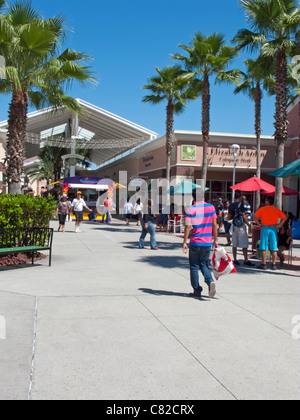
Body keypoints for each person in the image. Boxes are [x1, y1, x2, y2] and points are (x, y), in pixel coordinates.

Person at [183, 189, 218, 299]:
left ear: (193, 197)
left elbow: (188, 226)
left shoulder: (191, 209)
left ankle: (196, 290)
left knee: (194, 266)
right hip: (207, 242)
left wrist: (184, 242)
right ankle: (210, 281)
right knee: (203, 264)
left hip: (195, 242)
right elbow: (214, 225)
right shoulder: (211, 207)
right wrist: (215, 240)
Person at [254, 196, 287, 270]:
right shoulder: (276, 209)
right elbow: (284, 218)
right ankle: (274, 264)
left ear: (267, 201)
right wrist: (279, 225)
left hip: (265, 228)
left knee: (263, 247)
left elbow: (255, 216)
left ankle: (264, 264)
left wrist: (258, 224)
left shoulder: (262, 209)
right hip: (273, 229)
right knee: (274, 248)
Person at [228, 190, 254, 267]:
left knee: (234, 243)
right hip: (241, 226)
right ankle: (246, 259)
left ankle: (235, 259)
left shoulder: (231, 205)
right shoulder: (241, 205)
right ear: (240, 197)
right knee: (244, 243)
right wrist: (248, 225)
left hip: (234, 225)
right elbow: (244, 216)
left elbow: (229, 216)